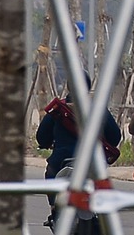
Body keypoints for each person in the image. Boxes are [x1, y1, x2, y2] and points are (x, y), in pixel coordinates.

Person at [35, 94, 122, 227]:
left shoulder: (58, 108)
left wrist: (48, 143)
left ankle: (54, 207)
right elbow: (115, 137)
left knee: (51, 173)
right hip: (93, 160)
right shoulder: (98, 109)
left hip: (62, 159)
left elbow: (42, 137)